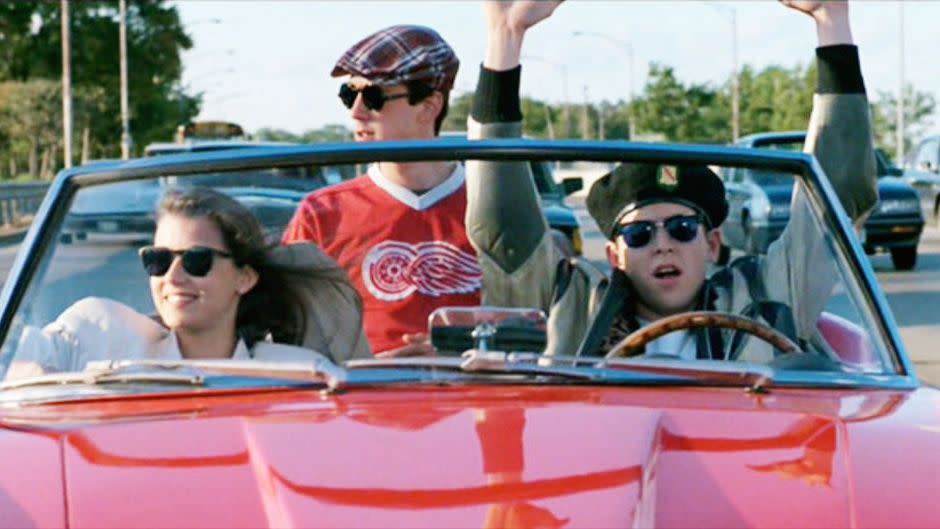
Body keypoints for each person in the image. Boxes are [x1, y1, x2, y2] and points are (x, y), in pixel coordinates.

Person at [466, 0, 877, 361]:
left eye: (682, 230)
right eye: (640, 234)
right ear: (614, 256)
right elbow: (504, 228)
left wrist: (832, 18)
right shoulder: (574, 307)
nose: (662, 244)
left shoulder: (763, 297)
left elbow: (835, 200)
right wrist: (505, 36)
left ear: (712, 244)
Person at [5, 187, 369, 380]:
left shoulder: (298, 373)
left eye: (197, 260)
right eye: (158, 260)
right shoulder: (98, 331)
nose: (173, 277)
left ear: (245, 277)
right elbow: (14, 363)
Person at [282, 24, 480, 357]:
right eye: (349, 94)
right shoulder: (322, 213)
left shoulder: (491, 208)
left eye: (373, 97)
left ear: (429, 106)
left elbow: (533, 318)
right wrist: (370, 365)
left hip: (484, 397)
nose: (356, 112)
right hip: (359, 398)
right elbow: (289, 333)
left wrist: (460, 352)